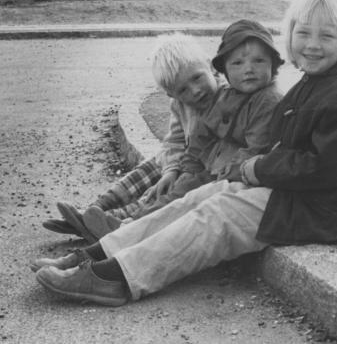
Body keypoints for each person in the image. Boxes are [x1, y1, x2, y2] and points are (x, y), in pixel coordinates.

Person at [32, 0, 337, 307]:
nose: (312, 44)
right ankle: (100, 253)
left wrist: (258, 168)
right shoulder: (317, 82)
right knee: (202, 195)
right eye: (303, 32)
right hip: (305, 196)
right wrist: (253, 171)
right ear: (289, 34)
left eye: (327, 35)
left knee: (218, 216)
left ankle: (119, 277)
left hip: (332, 209)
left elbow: (326, 169)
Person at [83, 19, 284, 234]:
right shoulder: (218, 97)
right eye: (238, 64)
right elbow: (189, 140)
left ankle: (128, 222)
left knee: (178, 197)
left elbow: (253, 148)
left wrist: (203, 174)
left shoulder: (259, 99)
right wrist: (182, 170)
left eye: (198, 78)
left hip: (226, 173)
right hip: (202, 164)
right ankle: (106, 212)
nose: (196, 91)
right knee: (163, 175)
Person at [42, 32, 222, 243]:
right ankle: (97, 209)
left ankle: (121, 221)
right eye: (183, 89)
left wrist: (178, 171)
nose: (195, 91)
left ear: (210, 66)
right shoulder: (180, 105)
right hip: (186, 161)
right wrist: (171, 169)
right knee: (155, 165)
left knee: (165, 190)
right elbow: (174, 142)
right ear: (172, 95)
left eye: (197, 77)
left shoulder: (226, 99)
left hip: (204, 171)